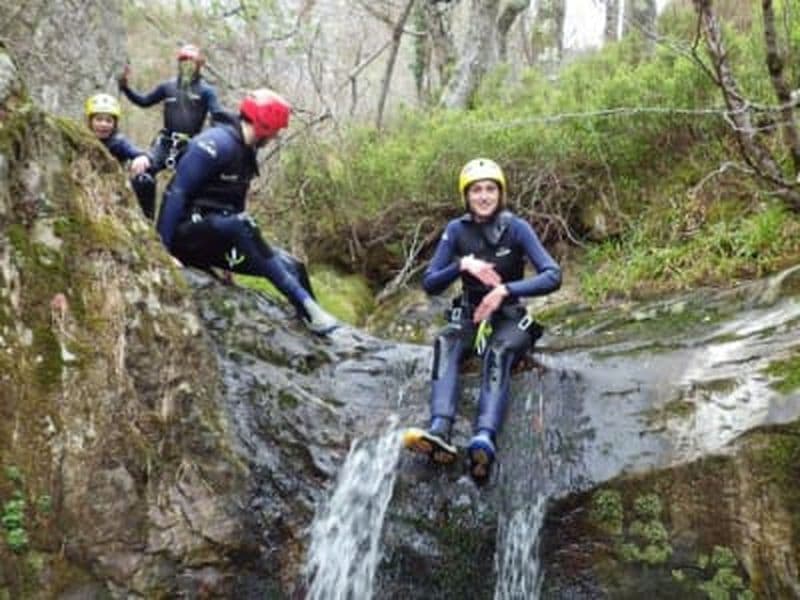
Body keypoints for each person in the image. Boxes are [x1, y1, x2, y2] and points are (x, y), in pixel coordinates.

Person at [403, 158, 561, 482]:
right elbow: (430, 283)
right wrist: (461, 265)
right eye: (476, 190)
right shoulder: (455, 230)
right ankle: (439, 429)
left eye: (490, 189)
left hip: (508, 315)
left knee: (498, 351)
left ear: (500, 193)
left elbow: (552, 275)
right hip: (471, 314)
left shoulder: (516, 228)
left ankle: (484, 437)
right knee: (445, 340)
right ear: (466, 196)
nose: (484, 196)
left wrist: (505, 290)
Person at [156, 88, 338, 335]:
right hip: (186, 236)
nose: (275, 137)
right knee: (240, 224)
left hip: (216, 236)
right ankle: (307, 305)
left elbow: (235, 205)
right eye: (275, 131)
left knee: (292, 266)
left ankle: (315, 322)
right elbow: (176, 193)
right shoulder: (214, 144)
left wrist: (229, 259)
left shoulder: (246, 151)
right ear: (265, 125)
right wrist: (162, 250)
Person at [118, 43, 224, 214]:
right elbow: (144, 101)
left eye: (191, 62)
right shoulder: (167, 87)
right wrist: (125, 88)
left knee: (191, 188)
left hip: (191, 146)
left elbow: (217, 115)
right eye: (183, 62)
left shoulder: (206, 91)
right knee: (143, 175)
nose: (187, 66)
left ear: (199, 65)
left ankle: (180, 225)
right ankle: (146, 220)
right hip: (166, 142)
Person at [85, 93, 157, 218]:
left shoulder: (118, 142)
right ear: (90, 121)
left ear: (114, 124)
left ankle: (146, 220)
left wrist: (142, 158)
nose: (103, 124)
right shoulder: (81, 138)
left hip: (114, 189)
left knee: (145, 181)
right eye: (99, 119)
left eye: (108, 121)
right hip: (88, 187)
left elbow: (137, 152)